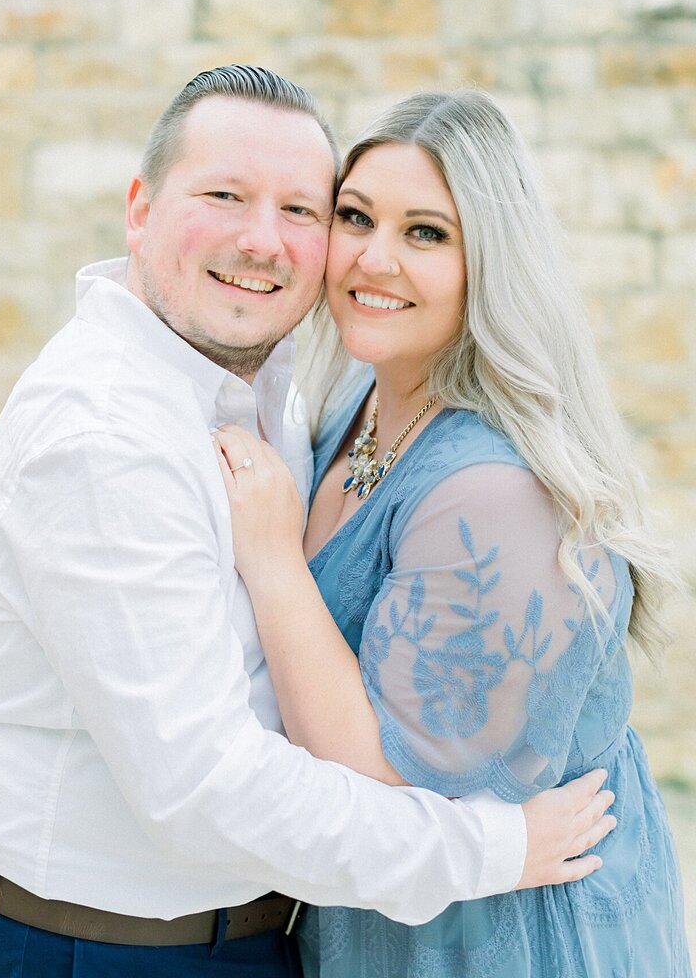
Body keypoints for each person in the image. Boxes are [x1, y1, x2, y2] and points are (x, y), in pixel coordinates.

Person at [0, 68, 616, 978]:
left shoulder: (278, 393)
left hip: (256, 932)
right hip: (104, 948)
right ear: (140, 209)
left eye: (302, 209)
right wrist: (490, 850)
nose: (263, 241)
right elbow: (205, 788)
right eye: (224, 196)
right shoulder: (104, 439)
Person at [215, 88, 692, 978]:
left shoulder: (497, 493)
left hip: (500, 940)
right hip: (386, 912)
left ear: (490, 264)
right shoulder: (362, 399)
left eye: (426, 233)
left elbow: (385, 780)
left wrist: (273, 561)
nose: (373, 258)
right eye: (354, 217)